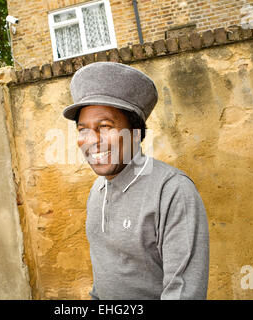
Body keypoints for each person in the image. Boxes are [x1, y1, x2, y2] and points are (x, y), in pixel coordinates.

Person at [62, 62, 209, 300]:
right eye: (83, 129)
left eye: (105, 126)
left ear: (135, 133)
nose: (92, 139)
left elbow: (182, 293)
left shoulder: (172, 191)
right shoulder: (98, 189)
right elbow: (104, 280)